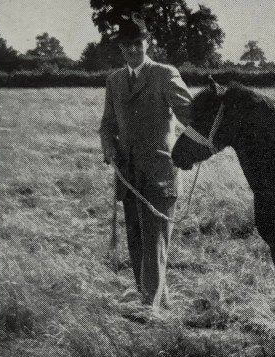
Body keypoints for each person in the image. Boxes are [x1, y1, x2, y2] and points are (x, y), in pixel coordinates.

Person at [99, 16, 192, 312]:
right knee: (137, 242)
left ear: (147, 43)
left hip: (159, 173)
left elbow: (189, 114)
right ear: (121, 48)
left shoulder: (164, 74)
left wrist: (208, 131)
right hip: (127, 175)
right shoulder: (114, 80)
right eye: (127, 46)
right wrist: (109, 149)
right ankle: (155, 299)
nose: (133, 50)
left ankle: (147, 308)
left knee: (155, 243)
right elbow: (107, 125)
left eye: (137, 44)